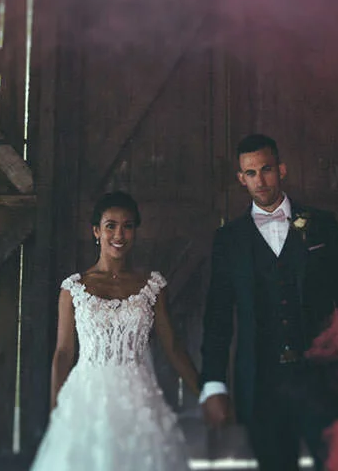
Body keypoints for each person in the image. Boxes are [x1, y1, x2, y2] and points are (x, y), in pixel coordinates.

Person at [199, 134, 338, 470]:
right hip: (261, 385)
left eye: (267, 169)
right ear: (240, 178)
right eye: (251, 173)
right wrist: (213, 383)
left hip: (320, 377)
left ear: (282, 169)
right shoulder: (228, 240)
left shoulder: (321, 224)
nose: (260, 180)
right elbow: (218, 316)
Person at [32, 191, 200, 470]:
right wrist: (56, 409)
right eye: (111, 225)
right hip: (86, 399)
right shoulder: (73, 289)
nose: (119, 234)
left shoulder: (153, 286)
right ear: (96, 231)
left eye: (128, 225)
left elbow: (172, 346)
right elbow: (63, 352)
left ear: (135, 231)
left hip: (138, 400)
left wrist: (204, 392)